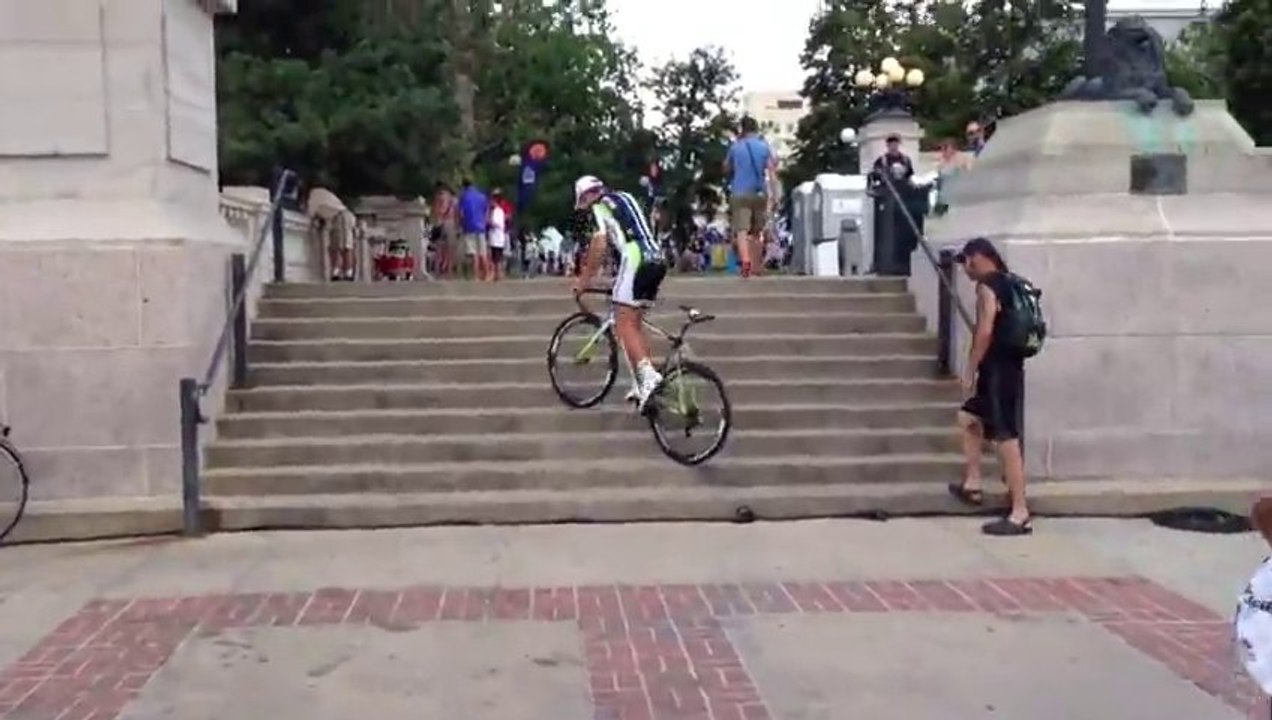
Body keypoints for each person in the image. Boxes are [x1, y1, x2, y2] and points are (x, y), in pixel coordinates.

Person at [947, 237, 1032, 536]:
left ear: (978, 258)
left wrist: (970, 369)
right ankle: (973, 482)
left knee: (1006, 439)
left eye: (966, 262)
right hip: (1010, 366)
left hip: (997, 369)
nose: (965, 270)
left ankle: (1020, 512)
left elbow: (984, 331)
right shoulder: (1013, 283)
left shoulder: (988, 286)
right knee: (969, 417)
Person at [572, 175, 667, 410]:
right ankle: (641, 383)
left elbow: (600, 243)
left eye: (583, 204)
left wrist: (584, 280)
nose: (585, 209)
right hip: (656, 257)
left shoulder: (600, 206)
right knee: (634, 323)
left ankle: (648, 376)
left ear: (586, 196)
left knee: (623, 323)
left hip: (634, 257)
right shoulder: (625, 197)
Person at [723, 116, 776, 278]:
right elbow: (771, 171)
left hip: (739, 192)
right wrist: (774, 194)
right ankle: (756, 265)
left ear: (742, 130)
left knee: (741, 230)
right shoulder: (764, 147)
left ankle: (745, 262)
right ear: (756, 129)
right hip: (759, 193)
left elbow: (726, 168)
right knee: (756, 231)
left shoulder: (735, 147)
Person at [307, 187, 358, 282]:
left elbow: (311, 215)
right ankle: (338, 271)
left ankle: (347, 272)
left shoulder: (312, 198)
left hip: (341, 216)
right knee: (336, 247)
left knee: (344, 246)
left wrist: (314, 226)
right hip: (337, 217)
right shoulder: (318, 193)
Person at [457, 179, 490, 280]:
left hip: (469, 227)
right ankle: (486, 274)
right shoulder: (482, 196)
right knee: (483, 253)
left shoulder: (463, 197)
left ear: (464, 186)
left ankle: (475, 276)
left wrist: (460, 225)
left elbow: (461, 214)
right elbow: (486, 212)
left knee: (473, 253)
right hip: (481, 227)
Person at [487, 188, 509, 281]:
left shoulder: (498, 211)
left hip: (497, 238)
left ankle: (497, 275)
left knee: (496, 258)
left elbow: (495, 223)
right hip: (496, 237)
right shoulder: (495, 210)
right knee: (496, 257)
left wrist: (488, 221)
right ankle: (497, 275)